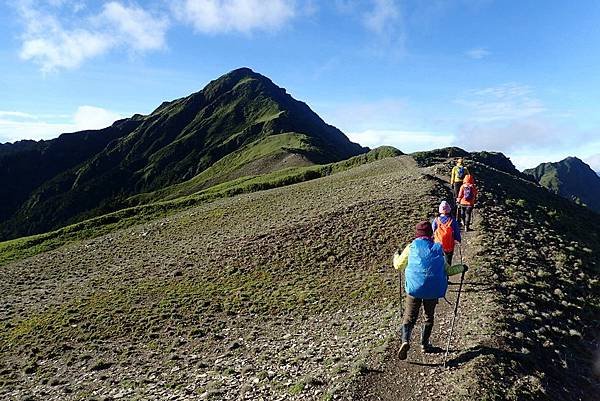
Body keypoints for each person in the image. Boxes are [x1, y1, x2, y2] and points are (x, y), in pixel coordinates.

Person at [393, 221, 467, 359]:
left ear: (417, 234)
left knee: (409, 317)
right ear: (431, 234)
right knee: (428, 316)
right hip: (432, 290)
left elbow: (398, 266)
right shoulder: (437, 248)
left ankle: (405, 341)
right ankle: (424, 345)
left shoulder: (411, 247)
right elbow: (448, 271)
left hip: (414, 289)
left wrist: (396, 255)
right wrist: (462, 268)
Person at [432, 201, 461, 265]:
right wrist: (458, 240)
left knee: (438, 261)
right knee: (448, 261)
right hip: (449, 245)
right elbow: (457, 232)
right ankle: (447, 273)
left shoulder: (436, 220)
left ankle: (440, 273)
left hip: (438, 244)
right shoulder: (452, 220)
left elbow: (433, 231)